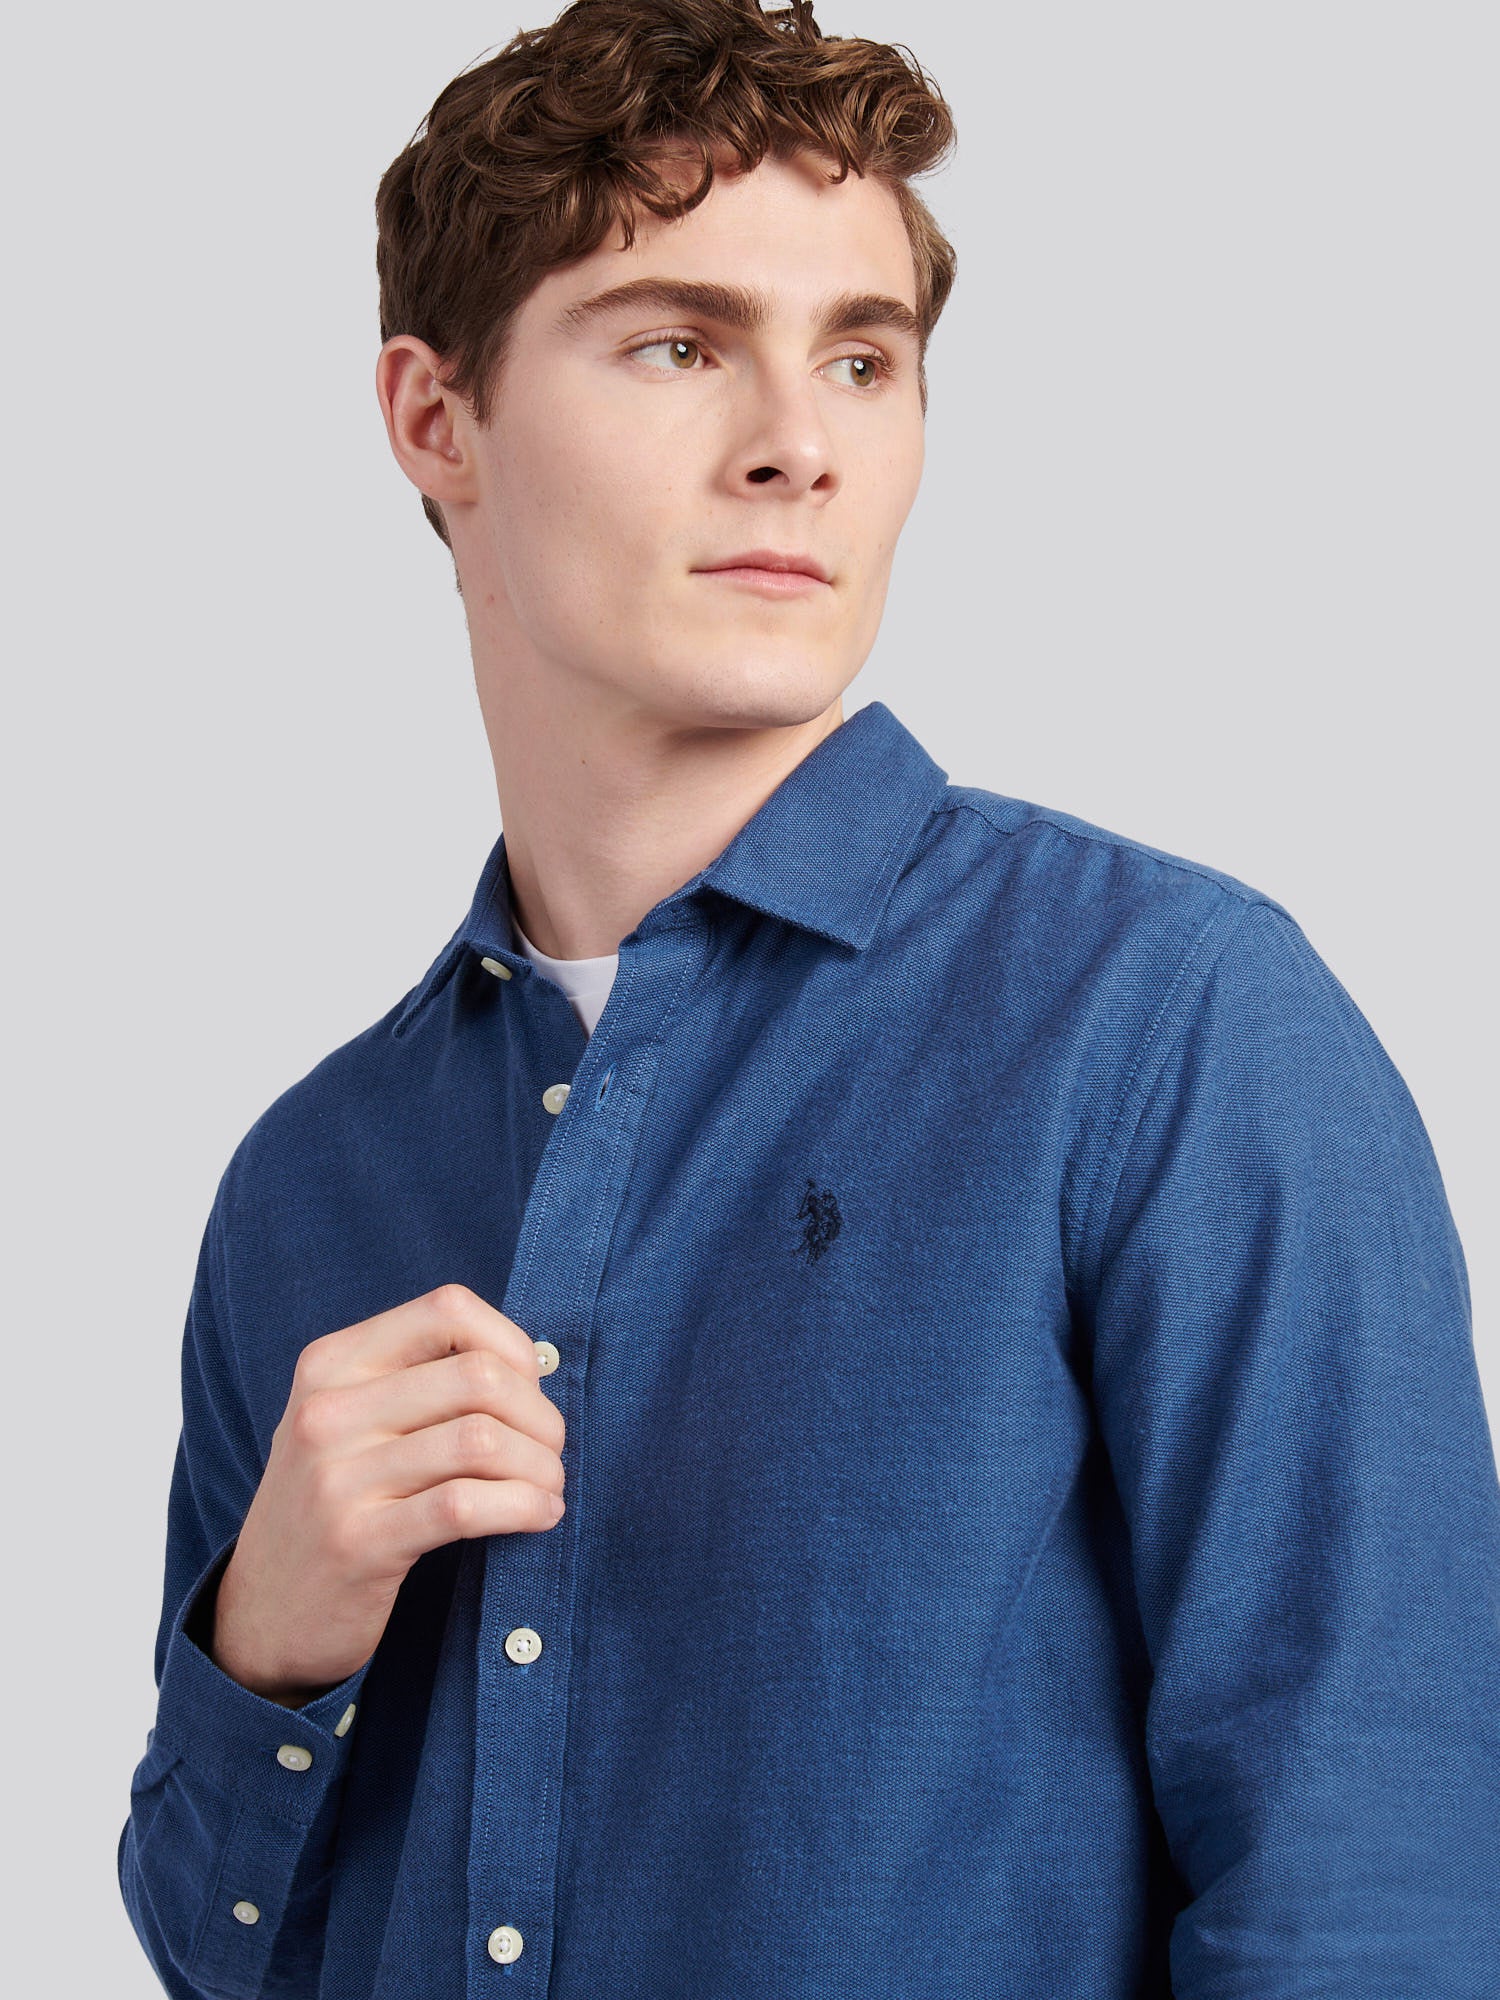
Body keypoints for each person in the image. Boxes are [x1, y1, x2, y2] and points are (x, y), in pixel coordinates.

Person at [118, 3, 1500, 1995]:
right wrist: (273, 1640)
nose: (801, 441)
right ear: (435, 419)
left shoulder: (1168, 1025)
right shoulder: (311, 1179)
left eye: (863, 356)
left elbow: (1372, 1897)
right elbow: (223, 1955)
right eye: (678, 345)